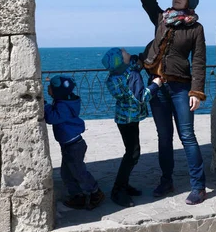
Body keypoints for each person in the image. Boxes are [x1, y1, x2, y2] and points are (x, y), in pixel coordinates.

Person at [133, 0, 207, 205]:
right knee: (164, 138)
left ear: (190, 2)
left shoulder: (195, 29)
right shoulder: (162, 19)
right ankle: (167, 181)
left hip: (180, 89)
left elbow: (199, 61)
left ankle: (199, 186)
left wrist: (197, 92)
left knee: (187, 136)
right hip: (157, 86)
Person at [103, 47, 162, 207]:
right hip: (130, 119)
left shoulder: (115, 76)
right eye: (125, 53)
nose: (127, 52)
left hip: (122, 117)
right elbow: (142, 97)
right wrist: (156, 84)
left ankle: (124, 184)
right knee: (133, 153)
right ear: (121, 60)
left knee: (131, 151)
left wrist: (137, 62)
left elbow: (132, 69)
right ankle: (118, 189)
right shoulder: (132, 75)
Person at [44, 74, 105, 210]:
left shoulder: (63, 106)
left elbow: (52, 118)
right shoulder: (64, 101)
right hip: (68, 144)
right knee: (67, 173)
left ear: (58, 92)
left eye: (50, 88)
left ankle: (95, 192)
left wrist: (45, 106)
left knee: (79, 172)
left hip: (74, 145)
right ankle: (77, 196)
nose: (47, 89)